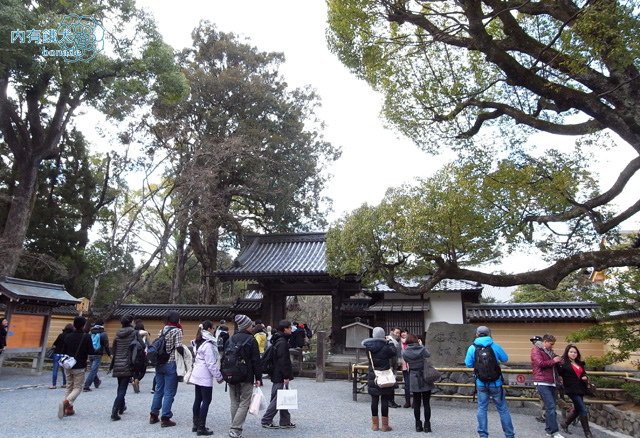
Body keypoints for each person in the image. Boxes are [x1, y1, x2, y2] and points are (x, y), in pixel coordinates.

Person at [464, 325, 515, 438]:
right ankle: (509, 435)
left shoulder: (472, 348)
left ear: (477, 334)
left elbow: (468, 364)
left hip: (481, 383)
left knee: (482, 408)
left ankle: (483, 434)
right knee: (502, 409)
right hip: (496, 383)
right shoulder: (495, 346)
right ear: (489, 334)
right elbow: (505, 359)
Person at [227, 314, 263, 438]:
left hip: (231, 375)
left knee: (234, 401)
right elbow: (256, 361)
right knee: (244, 402)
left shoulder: (231, 339)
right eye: (251, 325)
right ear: (246, 326)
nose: (252, 327)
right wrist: (258, 377)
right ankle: (235, 429)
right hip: (246, 375)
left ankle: (235, 427)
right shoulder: (251, 340)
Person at [149, 310, 183, 427]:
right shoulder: (177, 331)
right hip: (171, 363)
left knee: (159, 389)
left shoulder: (162, 330)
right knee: (169, 392)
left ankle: (154, 414)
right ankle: (165, 417)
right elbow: (179, 347)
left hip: (160, 363)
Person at [190, 320, 223, 436]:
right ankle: (201, 427)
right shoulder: (208, 344)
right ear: (209, 329)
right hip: (204, 376)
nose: (214, 331)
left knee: (198, 399)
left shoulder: (198, 341)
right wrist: (219, 376)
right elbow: (211, 364)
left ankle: (195, 424)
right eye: (213, 328)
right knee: (206, 400)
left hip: (197, 374)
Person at [261, 319, 295, 430]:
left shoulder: (277, 340)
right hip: (280, 374)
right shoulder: (282, 342)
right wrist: (286, 375)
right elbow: (283, 360)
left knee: (282, 397)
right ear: (285, 329)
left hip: (276, 373)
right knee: (278, 398)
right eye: (290, 328)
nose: (291, 329)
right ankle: (266, 419)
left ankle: (285, 421)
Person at [58, 315, 93, 419]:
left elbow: (63, 350)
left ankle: (68, 409)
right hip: (80, 365)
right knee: (77, 387)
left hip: (68, 364)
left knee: (69, 385)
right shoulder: (86, 336)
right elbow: (91, 351)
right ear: (83, 325)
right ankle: (67, 402)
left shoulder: (68, 336)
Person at [363, 326, 397, 432]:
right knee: (385, 400)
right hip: (385, 376)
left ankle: (374, 425)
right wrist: (390, 341)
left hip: (374, 376)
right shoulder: (386, 347)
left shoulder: (368, 347)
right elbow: (394, 351)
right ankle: (385, 426)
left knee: (374, 400)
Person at [531, 333, 564, 438]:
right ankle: (555, 432)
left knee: (551, 407)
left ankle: (549, 430)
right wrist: (553, 361)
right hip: (542, 381)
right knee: (551, 406)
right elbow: (540, 363)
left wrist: (559, 361)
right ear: (545, 342)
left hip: (552, 381)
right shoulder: (536, 350)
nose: (552, 346)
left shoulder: (550, 351)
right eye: (551, 343)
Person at [557, 344, 593, 438]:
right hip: (571, 389)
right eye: (571, 352)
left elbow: (583, 373)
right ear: (567, 352)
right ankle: (587, 432)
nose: (573, 354)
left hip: (581, 388)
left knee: (577, 409)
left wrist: (584, 376)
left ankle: (564, 424)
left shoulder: (579, 363)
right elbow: (559, 373)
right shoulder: (563, 363)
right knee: (582, 409)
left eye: (575, 352)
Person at [402, 333, 434, 433]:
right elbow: (428, 355)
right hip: (424, 376)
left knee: (416, 402)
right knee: (426, 403)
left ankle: (418, 425)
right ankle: (427, 425)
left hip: (414, 376)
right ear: (416, 340)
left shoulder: (405, 352)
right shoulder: (422, 349)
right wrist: (421, 345)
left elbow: (406, 361)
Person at [109, 314, 137, 421]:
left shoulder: (118, 334)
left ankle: (121, 406)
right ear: (131, 322)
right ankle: (114, 411)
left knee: (120, 386)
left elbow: (114, 349)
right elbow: (138, 347)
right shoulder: (133, 333)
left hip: (117, 363)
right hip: (127, 363)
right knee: (122, 389)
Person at [84, 319, 111, 392]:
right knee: (93, 370)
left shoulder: (90, 333)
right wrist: (109, 354)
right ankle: (86, 386)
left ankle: (97, 382)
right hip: (98, 354)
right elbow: (106, 345)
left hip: (90, 353)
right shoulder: (103, 334)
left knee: (93, 369)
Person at [50, 324, 73, 389]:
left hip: (57, 354)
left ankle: (54, 385)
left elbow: (55, 344)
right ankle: (64, 383)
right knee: (64, 370)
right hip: (64, 355)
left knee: (55, 369)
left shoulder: (61, 335)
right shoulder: (70, 336)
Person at [386, 327, 402, 408]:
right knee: (390, 384)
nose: (398, 334)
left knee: (392, 384)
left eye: (399, 333)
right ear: (391, 332)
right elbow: (388, 355)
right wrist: (390, 366)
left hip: (394, 365)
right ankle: (389, 401)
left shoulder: (396, 342)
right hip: (390, 365)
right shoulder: (388, 341)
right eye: (396, 332)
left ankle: (392, 401)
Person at [132, 319, 150, 393]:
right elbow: (149, 344)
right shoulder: (145, 333)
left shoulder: (132, 333)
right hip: (143, 353)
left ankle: (135, 380)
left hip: (133, 353)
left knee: (135, 369)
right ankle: (137, 380)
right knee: (143, 369)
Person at [400, 329, 411, 408]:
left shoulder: (411, 341)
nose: (403, 334)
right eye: (402, 332)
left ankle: (415, 402)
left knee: (414, 384)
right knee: (407, 384)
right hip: (404, 365)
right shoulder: (399, 342)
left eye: (405, 332)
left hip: (412, 366)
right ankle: (407, 402)